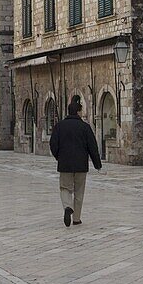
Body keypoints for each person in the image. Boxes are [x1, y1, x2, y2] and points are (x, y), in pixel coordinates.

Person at [49, 97, 101, 227]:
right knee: (79, 191)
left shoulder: (59, 126)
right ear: (78, 112)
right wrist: (97, 164)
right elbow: (92, 147)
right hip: (81, 164)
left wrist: (58, 156)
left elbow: (53, 144)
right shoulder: (85, 127)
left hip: (65, 164)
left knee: (65, 188)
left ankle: (67, 207)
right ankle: (76, 218)